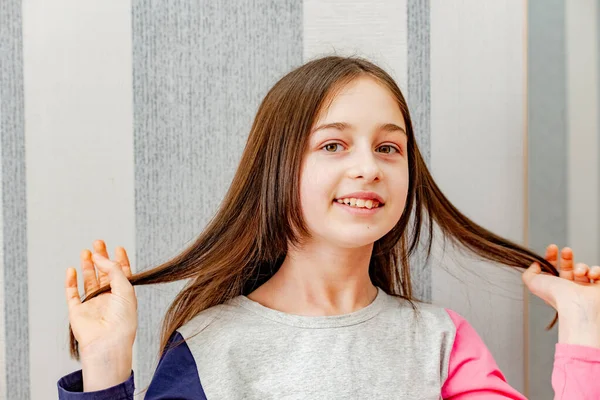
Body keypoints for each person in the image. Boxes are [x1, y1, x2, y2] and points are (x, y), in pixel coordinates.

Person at [57, 56, 600, 399]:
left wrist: (585, 330)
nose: (368, 167)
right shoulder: (211, 349)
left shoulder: (441, 343)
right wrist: (106, 363)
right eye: (334, 145)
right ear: (277, 168)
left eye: (388, 148)